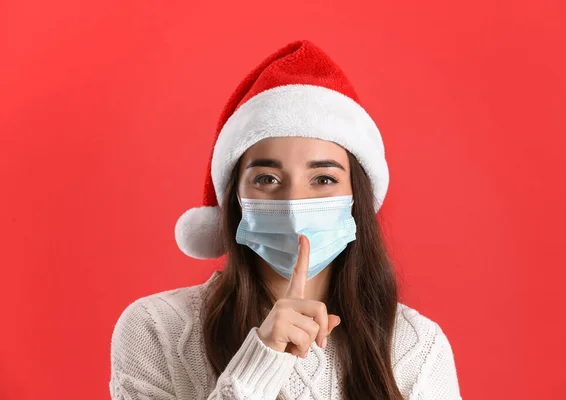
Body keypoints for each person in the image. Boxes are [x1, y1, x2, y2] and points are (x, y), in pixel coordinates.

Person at [109, 39, 462, 400]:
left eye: (323, 179)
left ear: (357, 198)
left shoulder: (417, 347)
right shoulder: (155, 329)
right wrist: (261, 363)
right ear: (234, 199)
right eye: (267, 179)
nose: (294, 204)